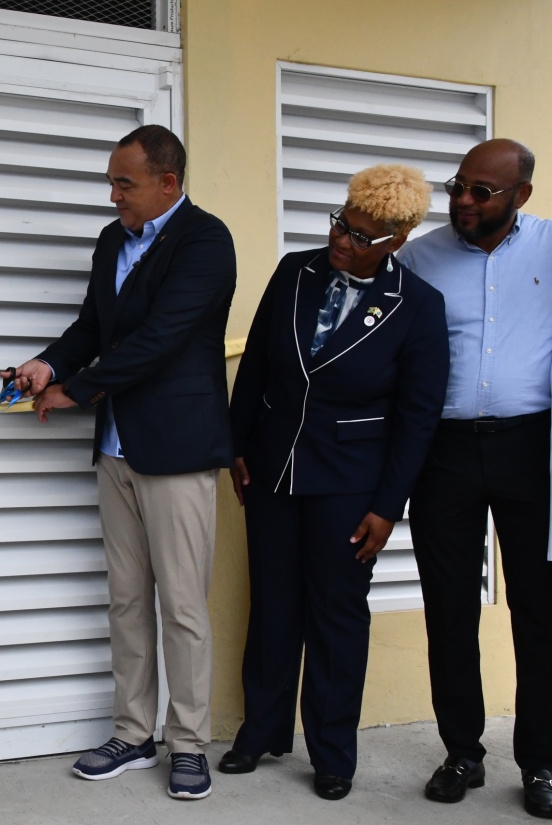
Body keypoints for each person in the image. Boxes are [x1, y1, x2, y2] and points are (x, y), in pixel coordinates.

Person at [10, 124, 236, 800]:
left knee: (184, 608)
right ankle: (134, 732)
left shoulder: (205, 241)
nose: (113, 196)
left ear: (168, 182)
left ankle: (189, 741)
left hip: (177, 450)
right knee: (128, 599)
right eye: (112, 181)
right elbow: (94, 327)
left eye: (124, 183)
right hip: (116, 450)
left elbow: (164, 339)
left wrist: (77, 388)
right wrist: (47, 364)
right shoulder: (113, 241)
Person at [220, 165, 449, 800]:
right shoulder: (295, 272)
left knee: (336, 615)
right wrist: (237, 446)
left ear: (395, 241)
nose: (342, 241)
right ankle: (260, 731)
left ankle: (332, 754)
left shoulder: (418, 308)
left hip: (350, 485)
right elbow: (260, 363)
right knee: (271, 604)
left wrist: (386, 506)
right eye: (340, 224)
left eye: (360, 235)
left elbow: (416, 420)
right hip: (271, 470)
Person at [398, 138, 552, 820]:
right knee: (450, 608)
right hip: (445, 453)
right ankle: (462, 750)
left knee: (542, 614)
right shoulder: (419, 258)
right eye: (458, 186)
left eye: (481, 191)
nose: (462, 200)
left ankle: (543, 759)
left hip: (534, 450)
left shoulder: (551, 248)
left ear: (519, 196)